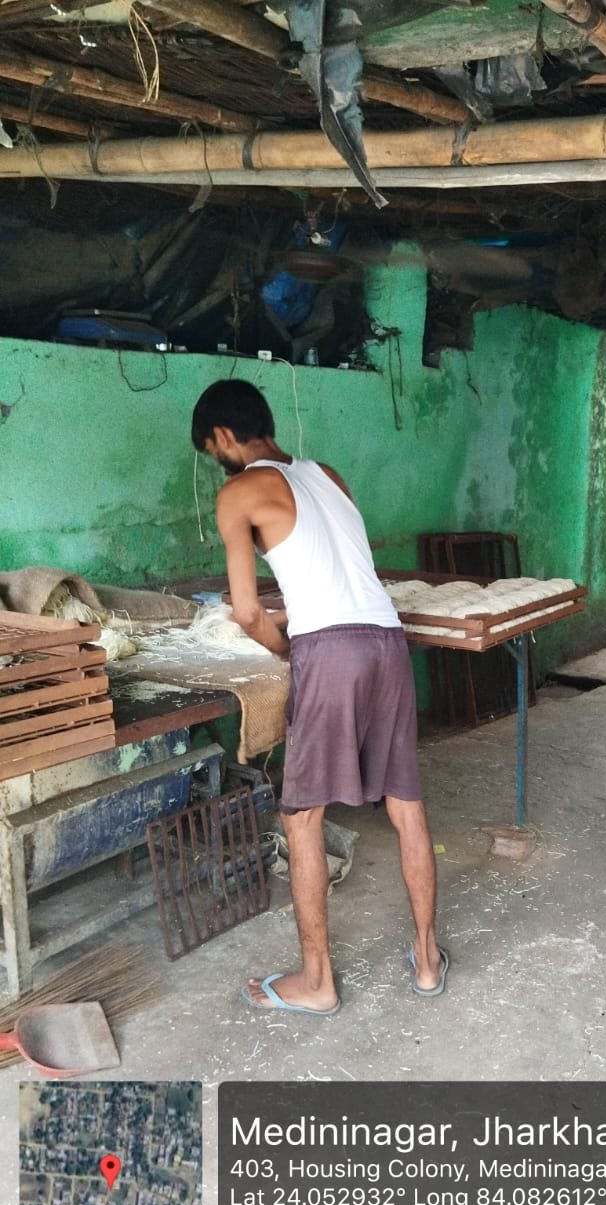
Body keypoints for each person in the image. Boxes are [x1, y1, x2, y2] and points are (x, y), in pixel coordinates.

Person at [191, 379, 447, 1014]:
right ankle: (426, 960)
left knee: (301, 817)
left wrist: (288, 649)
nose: (217, 462)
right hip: (386, 639)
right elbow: (333, 570)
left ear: (222, 436)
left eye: (212, 451)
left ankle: (317, 981)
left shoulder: (237, 491)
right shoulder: (327, 475)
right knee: (406, 804)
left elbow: (247, 612)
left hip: (330, 651)